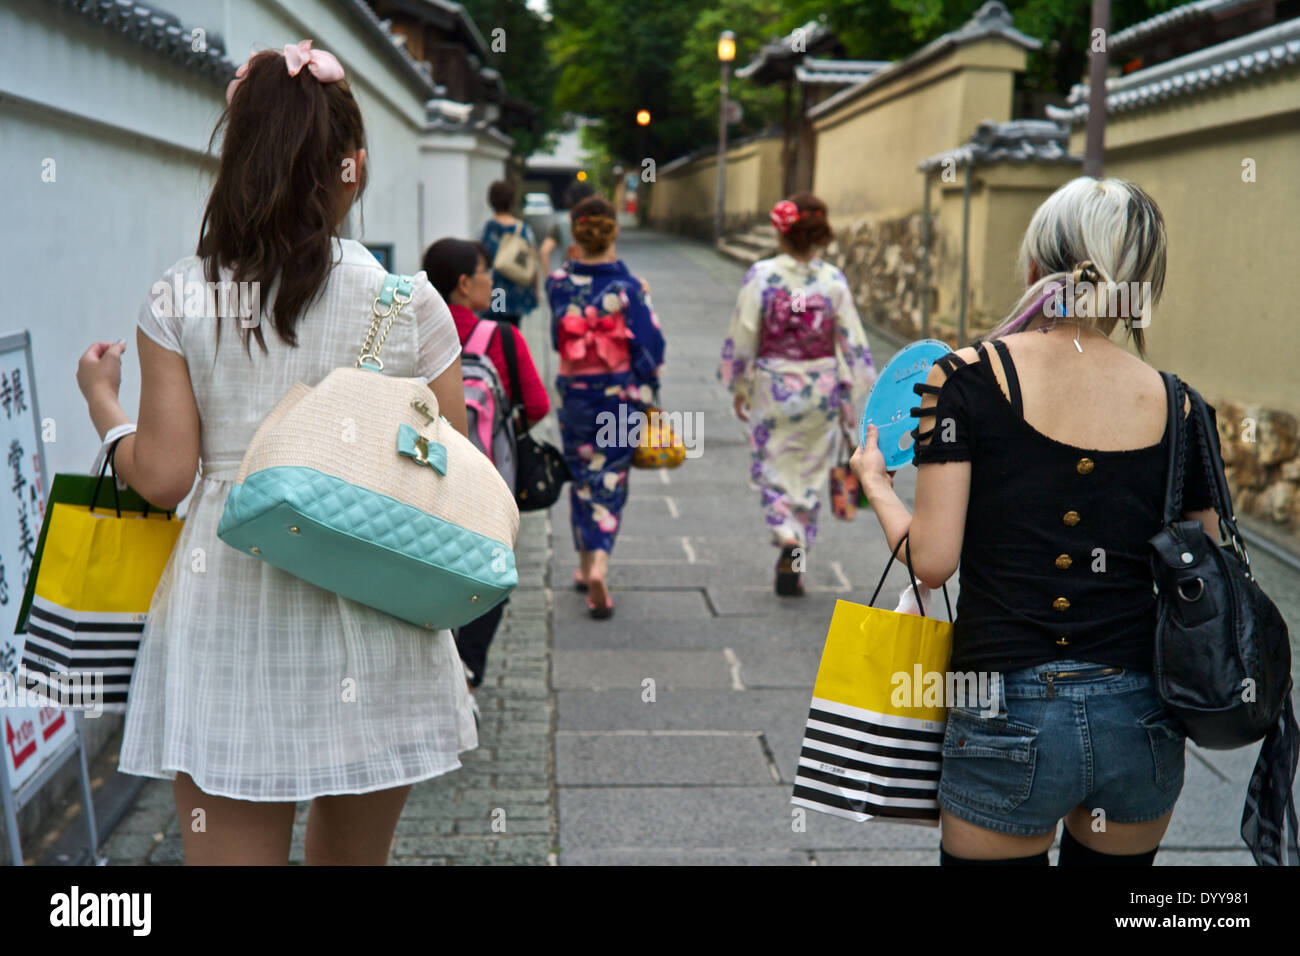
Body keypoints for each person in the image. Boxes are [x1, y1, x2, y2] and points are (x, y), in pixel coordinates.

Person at [74, 41, 476, 866]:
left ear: (237, 158)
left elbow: (164, 479)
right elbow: (454, 465)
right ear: (351, 167)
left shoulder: (181, 296)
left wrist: (103, 404)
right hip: (376, 598)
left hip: (227, 607)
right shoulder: (410, 305)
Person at [852, 176, 1216, 866]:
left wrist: (876, 482)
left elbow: (931, 560)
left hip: (1004, 710)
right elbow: (1205, 568)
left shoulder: (963, 378)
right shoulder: (1184, 405)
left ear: (1035, 268)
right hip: (1142, 717)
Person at [719, 193, 877, 596]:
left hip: (773, 386)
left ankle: (785, 534)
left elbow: (745, 335)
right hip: (822, 387)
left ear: (781, 232)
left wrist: (738, 382)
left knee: (773, 467)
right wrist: (862, 387)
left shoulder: (763, 276)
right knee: (809, 473)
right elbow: (852, 340)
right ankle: (799, 554)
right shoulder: (832, 280)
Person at [422, 237, 550, 697]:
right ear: (463, 284)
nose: (491, 281)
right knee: (487, 575)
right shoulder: (501, 338)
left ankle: (428, 668)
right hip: (483, 484)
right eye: (484, 273)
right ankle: (468, 672)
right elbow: (536, 406)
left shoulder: (409, 333)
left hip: (417, 477)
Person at [546, 196, 665, 618]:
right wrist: (650, 389)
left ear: (575, 232)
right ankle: (598, 563)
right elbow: (652, 348)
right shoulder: (630, 289)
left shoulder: (558, 282)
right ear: (613, 232)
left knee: (581, 474)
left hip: (575, 394)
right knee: (611, 476)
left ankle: (583, 566)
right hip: (618, 398)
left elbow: (558, 341)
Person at [479, 180, 539, 327]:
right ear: (512, 201)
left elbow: (479, 263)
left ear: (490, 201)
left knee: (492, 332)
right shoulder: (524, 229)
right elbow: (532, 262)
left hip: (494, 290)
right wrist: (535, 289)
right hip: (517, 289)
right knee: (513, 332)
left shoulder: (484, 229)